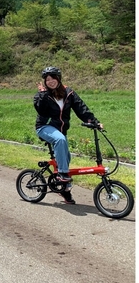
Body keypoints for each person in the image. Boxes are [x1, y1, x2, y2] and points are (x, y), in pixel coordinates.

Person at [34, 66, 101, 204]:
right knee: (60, 141)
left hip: (60, 131)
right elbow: (40, 109)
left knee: (66, 156)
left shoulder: (69, 93)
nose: (50, 81)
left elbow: (81, 108)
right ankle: (63, 174)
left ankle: (64, 190)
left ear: (58, 79)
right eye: (47, 79)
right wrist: (42, 93)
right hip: (44, 127)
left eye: (53, 78)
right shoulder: (43, 95)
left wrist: (94, 122)